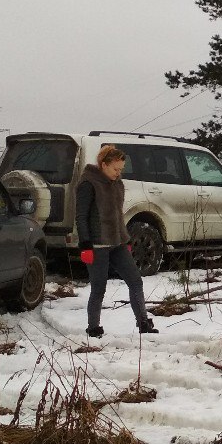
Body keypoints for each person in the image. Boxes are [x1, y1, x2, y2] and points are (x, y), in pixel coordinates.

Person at [76, 145, 157, 338]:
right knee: (99, 288)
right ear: (104, 165)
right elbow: (81, 216)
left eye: (121, 169)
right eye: (115, 169)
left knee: (135, 281)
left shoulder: (117, 184)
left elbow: (119, 215)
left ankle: (143, 323)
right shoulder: (88, 183)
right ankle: (93, 328)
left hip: (118, 243)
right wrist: (85, 245)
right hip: (97, 245)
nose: (118, 173)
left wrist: (125, 238)